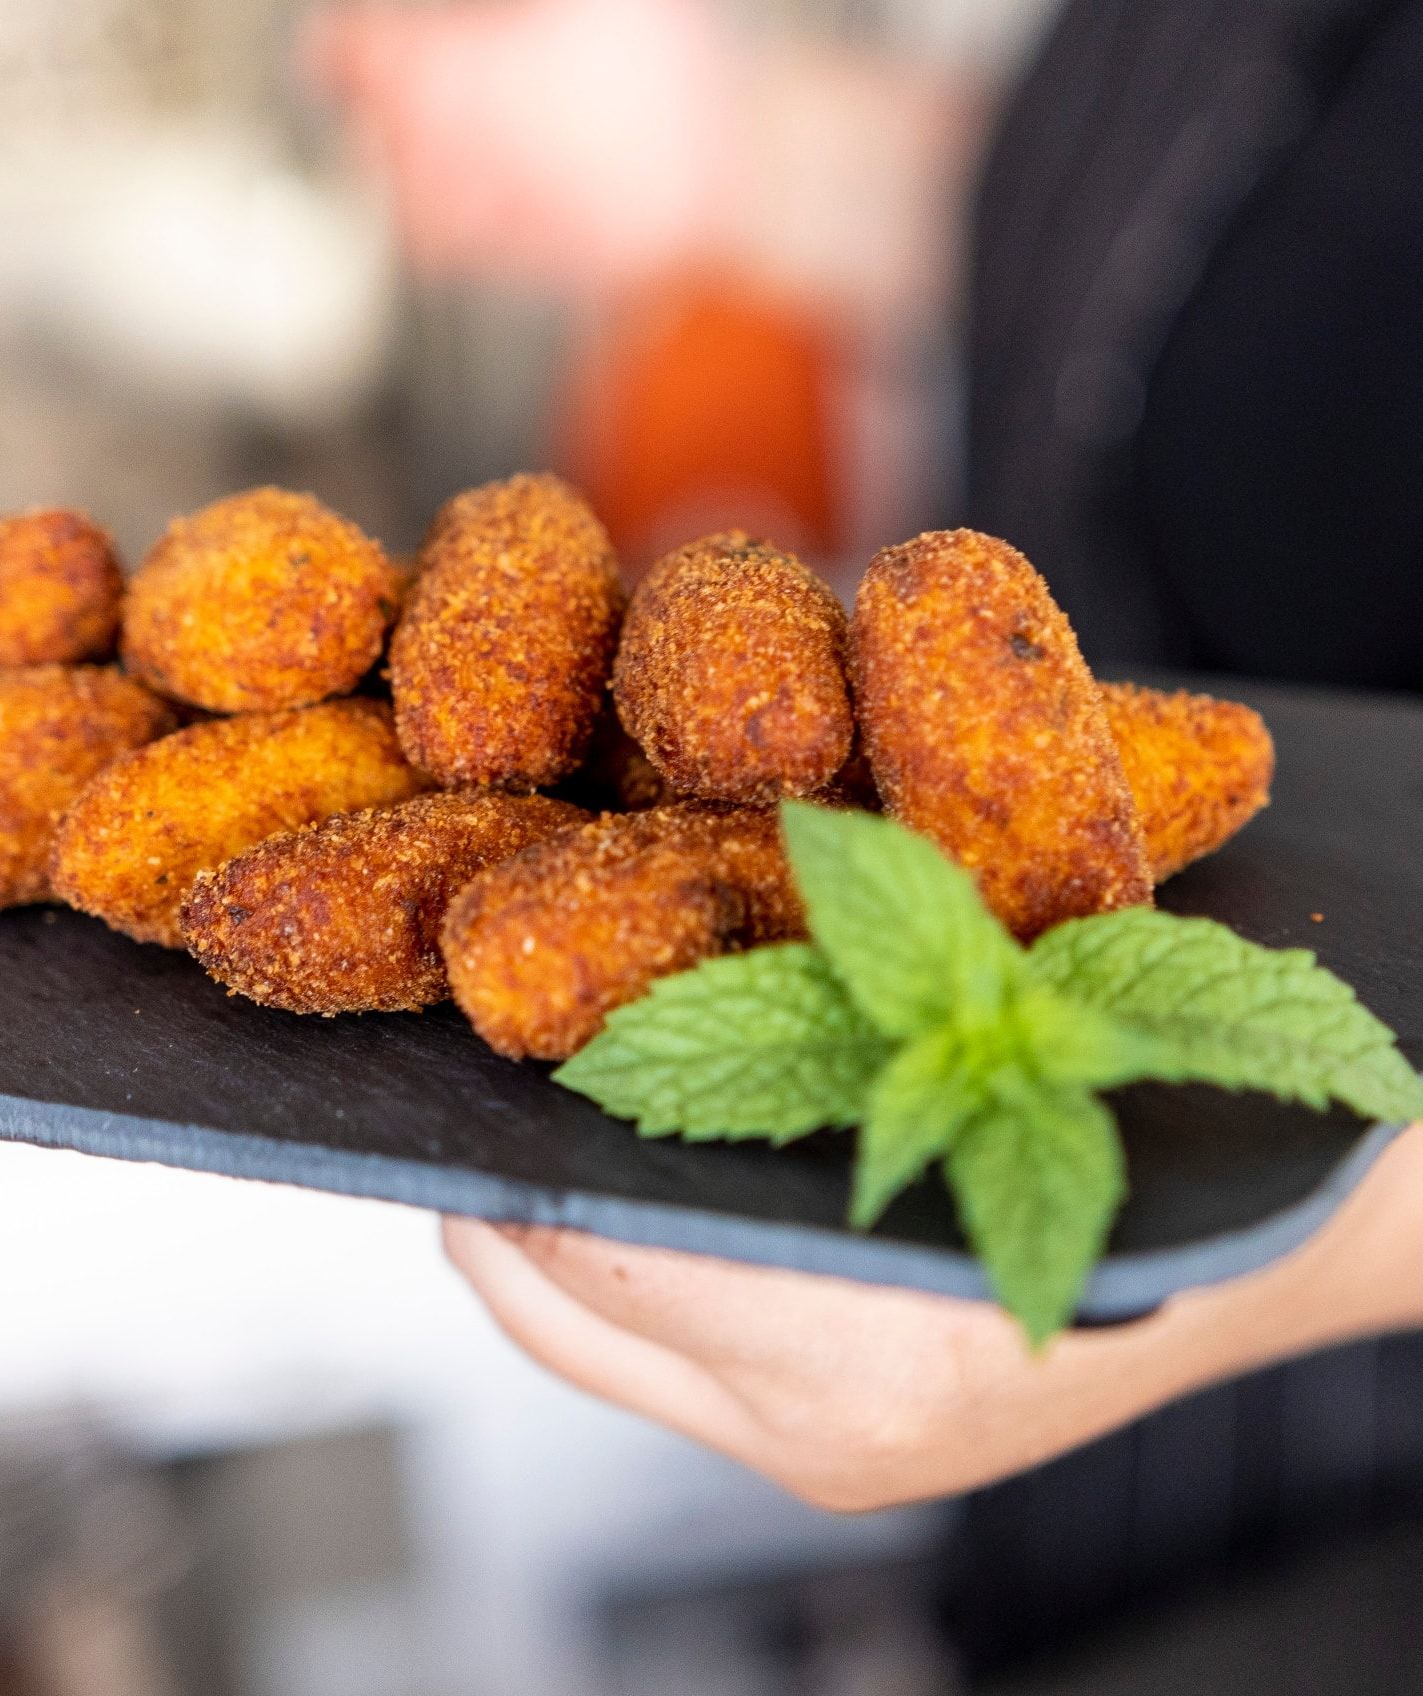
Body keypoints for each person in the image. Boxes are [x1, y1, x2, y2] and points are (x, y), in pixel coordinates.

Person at [311, 0, 1423, 1514]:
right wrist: (723, 154)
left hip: (1327, 1480)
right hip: (1033, 1346)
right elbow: (1208, 275)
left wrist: (1199, 1295)